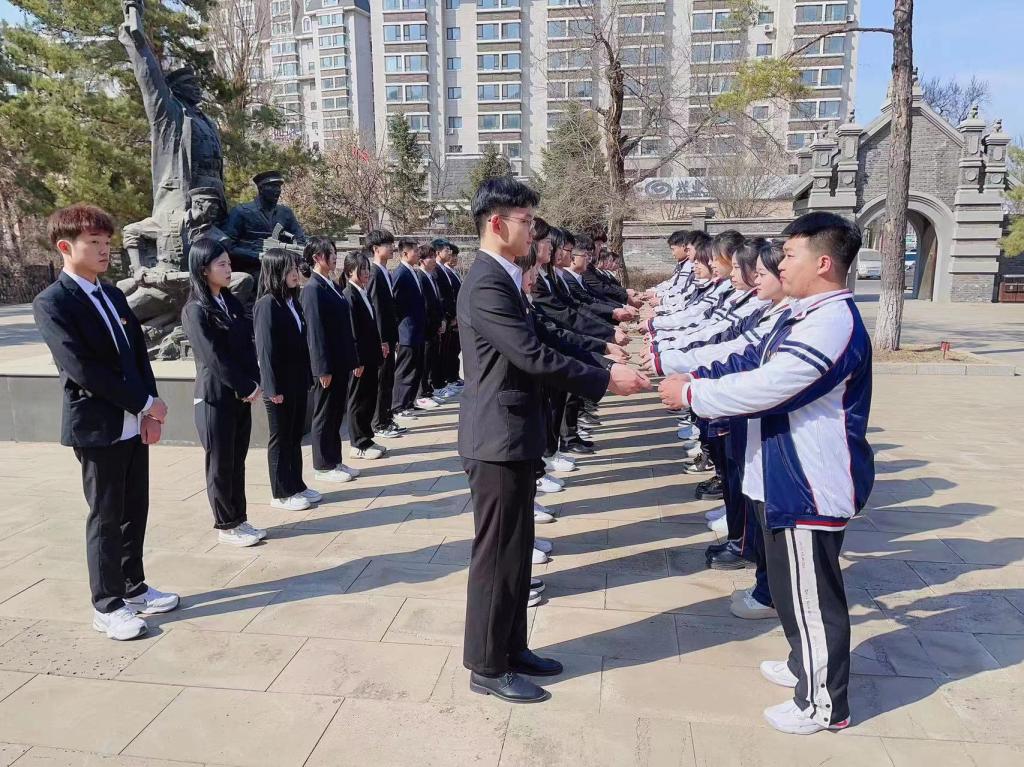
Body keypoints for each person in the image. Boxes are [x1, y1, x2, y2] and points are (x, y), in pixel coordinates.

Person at [658, 212, 873, 735]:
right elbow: (750, 359)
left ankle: (825, 705)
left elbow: (773, 386)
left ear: (824, 263)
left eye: (790, 255)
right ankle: (803, 665)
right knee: (790, 586)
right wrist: (685, 372)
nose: (778, 264)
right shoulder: (802, 315)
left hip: (808, 482)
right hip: (781, 473)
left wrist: (692, 393)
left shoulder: (832, 323)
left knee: (813, 597)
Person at [458, 177, 650, 704]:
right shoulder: (485, 283)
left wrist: (600, 353)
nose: (533, 232)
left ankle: (511, 648)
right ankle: (486, 665)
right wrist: (604, 379)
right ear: (496, 224)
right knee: (496, 556)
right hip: (496, 438)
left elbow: (546, 334)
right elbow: (531, 355)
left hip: (514, 433)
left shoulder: (504, 277)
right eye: (525, 222)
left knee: (517, 552)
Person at [32, 203, 178, 641]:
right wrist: (141, 402)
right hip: (97, 425)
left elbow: (136, 355)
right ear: (65, 247)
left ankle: (134, 587)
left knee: (135, 509)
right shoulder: (53, 303)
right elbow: (82, 369)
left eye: (106, 242)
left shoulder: (112, 294)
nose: (104, 251)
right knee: (106, 515)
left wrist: (150, 406)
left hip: (134, 418)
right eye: (93, 242)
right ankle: (107, 605)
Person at [181, 239, 265, 548]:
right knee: (220, 464)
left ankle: (239, 518)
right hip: (214, 398)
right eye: (222, 264)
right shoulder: (195, 310)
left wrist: (254, 382)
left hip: (240, 396)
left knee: (236, 460)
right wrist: (244, 386)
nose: (229, 269)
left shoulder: (231, 303)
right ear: (204, 270)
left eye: (229, 263)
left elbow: (247, 347)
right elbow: (213, 357)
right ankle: (226, 524)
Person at [254, 250, 320, 511]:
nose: (295, 273)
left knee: (294, 436)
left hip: (297, 381)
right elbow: (266, 350)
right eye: (289, 269)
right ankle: (281, 492)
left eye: (295, 268)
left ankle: (296, 484)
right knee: (280, 438)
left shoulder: (292, 300)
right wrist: (272, 387)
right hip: (279, 386)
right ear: (275, 271)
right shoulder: (267, 304)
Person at [299, 237, 361, 483]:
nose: (335, 258)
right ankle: (323, 465)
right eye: (331, 254)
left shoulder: (331, 285)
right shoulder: (312, 289)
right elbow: (315, 333)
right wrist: (322, 368)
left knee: (335, 414)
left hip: (339, 362)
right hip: (327, 366)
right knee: (324, 415)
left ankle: (335, 460)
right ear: (317, 258)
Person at [342, 250, 388, 460]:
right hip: (359, 359)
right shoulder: (349, 295)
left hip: (370, 356)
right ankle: (357, 443)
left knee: (369, 397)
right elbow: (352, 331)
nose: (366, 272)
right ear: (350, 271)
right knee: (358, 400)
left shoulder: (363, 292)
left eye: (367, 268)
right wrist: (356, 360)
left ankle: (366, 437)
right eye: (361, 269)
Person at [365, 229, 404, 439]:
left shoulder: (385, 272)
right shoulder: (373, 273)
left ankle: (387, 418)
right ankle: (378, 423)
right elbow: (377, 310)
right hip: (382, 340)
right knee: (381, 381)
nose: (392, 248)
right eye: (387, 245)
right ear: (375, 249)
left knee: (388, 379)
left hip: (390, 337)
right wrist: (381, 340)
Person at [390, 238, 430, 419]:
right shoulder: (400, 273)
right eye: (415, 250)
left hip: (417, 329)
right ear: (405, 253)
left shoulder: (412, 271)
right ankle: (398, 406)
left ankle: (408, 402)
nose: (418, 253)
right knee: (405, 370)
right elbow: (394, 302)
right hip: (406, 330)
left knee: (416, 368)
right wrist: (399, 328)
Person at [415, 244, 448, 404]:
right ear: (421, 260)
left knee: (432, 359)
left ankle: (429, 390)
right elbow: (425, 305)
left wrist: (441, 320)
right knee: (425, 361)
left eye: (435, 256)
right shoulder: (420, 277)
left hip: (434, 327)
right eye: (430, 257)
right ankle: (422, 393)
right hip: (426, 328)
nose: (434, 260)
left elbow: (437, 301)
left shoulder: (431, 276)